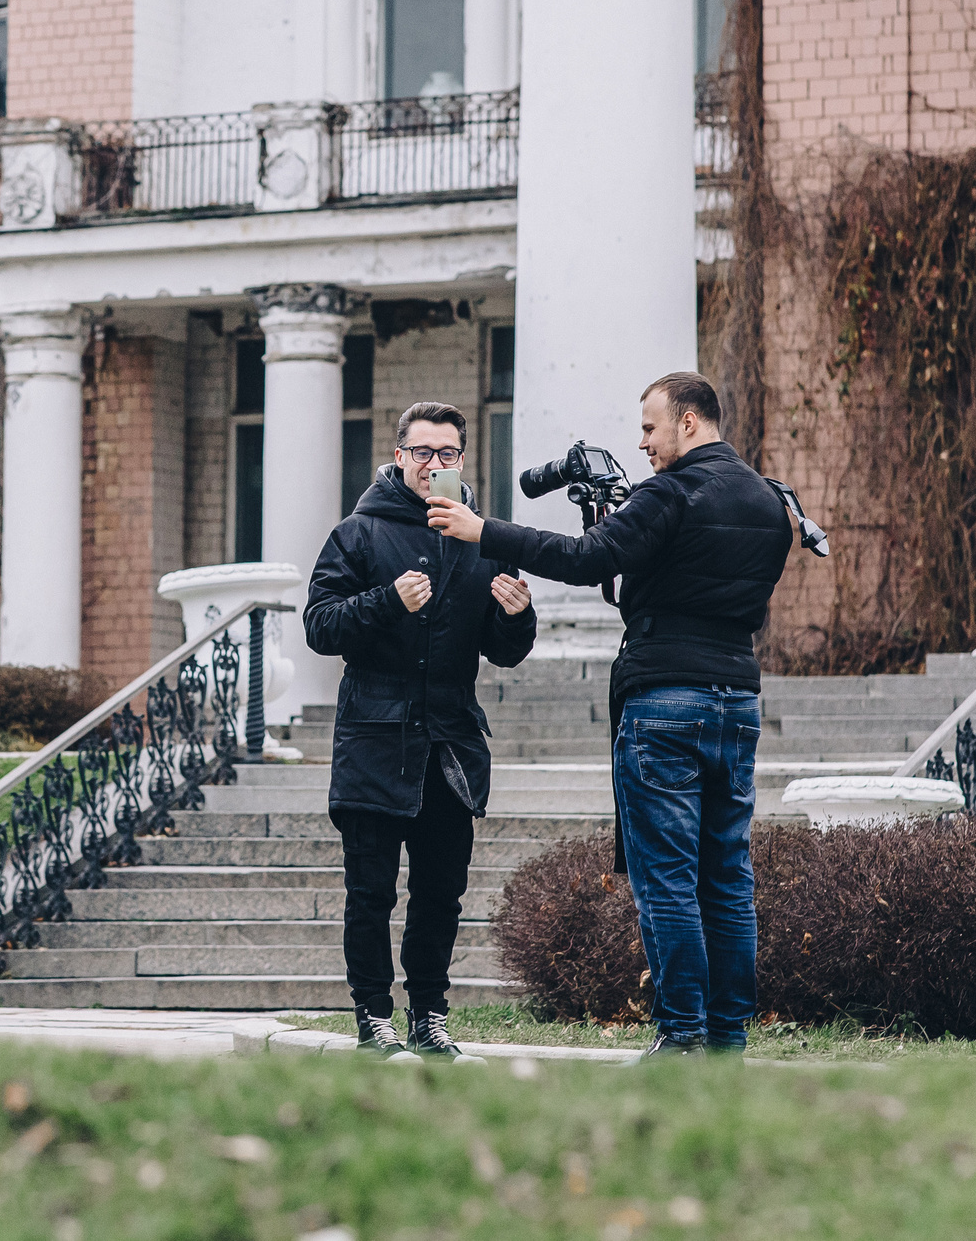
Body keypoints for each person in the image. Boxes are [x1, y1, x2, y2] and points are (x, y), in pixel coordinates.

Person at [433, 372, 795, 1059]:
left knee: (668, 878)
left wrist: (485, 531)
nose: (643, 442)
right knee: (727, 876)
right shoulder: (770, 498)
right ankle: (727, 1040)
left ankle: (681, 1035)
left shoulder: (670, 492)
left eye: (651, 427)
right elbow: (685, 575)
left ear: (689, 422)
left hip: (664, 702)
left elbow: (584, 559)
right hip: (737, 700)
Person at [305, 400, 536, 1060]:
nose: (434, 464)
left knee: (440, 895)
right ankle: (373, 1016)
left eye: (448, 453)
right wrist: (387, 601)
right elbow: (319, 625)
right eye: (423, 452)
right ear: (399, 455)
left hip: (450, 747)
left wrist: (517, 616)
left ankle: (429, 1016)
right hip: (374, 741)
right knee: (370, 894)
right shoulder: (358, 532)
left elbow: (504, 651)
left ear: (462, 458)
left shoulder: (481, 539)